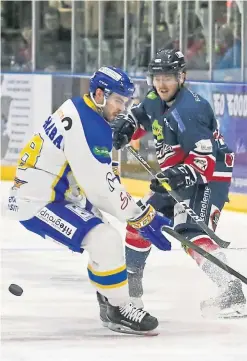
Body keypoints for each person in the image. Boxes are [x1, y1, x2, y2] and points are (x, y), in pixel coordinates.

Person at [4, 66, 173, 336]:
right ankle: (118, 307)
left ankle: (109, 298)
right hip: (37, 201)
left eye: (126, 102)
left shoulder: (82, 110)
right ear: (99, 94)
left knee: (103, 231)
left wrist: (130, 209)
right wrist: (141, 215)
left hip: (57, 192)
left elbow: (101, 179)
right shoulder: (88, 125)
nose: (122, 108)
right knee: (104, 238)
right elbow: (100, 190)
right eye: (118, 101)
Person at [110, 49, 246, 319]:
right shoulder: (154, 98)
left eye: (169, 77)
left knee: (190, 234)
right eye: (157, 77)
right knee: (141, 223)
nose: (161, 84)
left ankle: (232, 291)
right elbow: (139, 116)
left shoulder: (191, 109)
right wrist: (127, 126)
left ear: (182, 77)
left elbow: (204, 162)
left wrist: (174, 176)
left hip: (207, 177)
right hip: (179, 173)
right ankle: (130, 296)